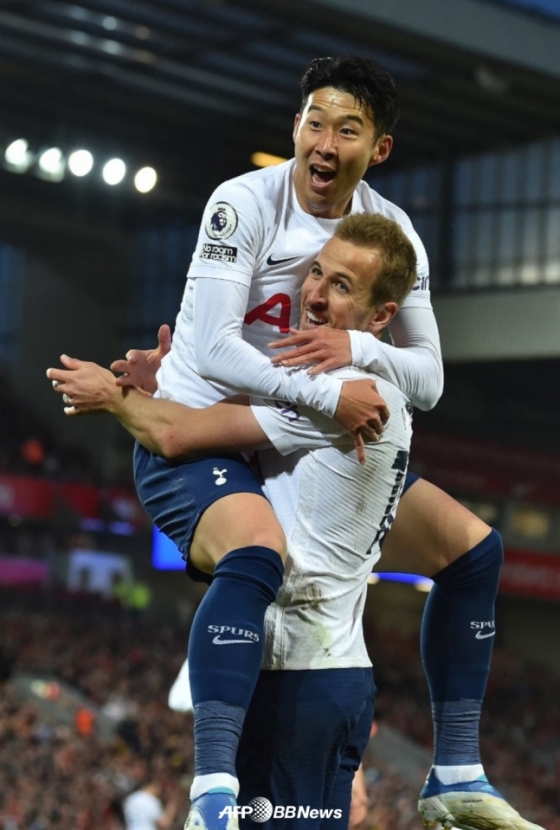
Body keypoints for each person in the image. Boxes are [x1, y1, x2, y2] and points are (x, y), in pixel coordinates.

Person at [47, 215, 542, 830]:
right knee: (475, 551)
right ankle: (458, 767)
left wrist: (116, 397)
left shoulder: (346, 395)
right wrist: (170, 381)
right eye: (316, 273)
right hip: (324, 675)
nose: (314, 294)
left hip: (296, 684)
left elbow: (176, 435)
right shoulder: (353, 383)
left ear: (381, 316)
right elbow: (250, 412)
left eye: (341, 286)